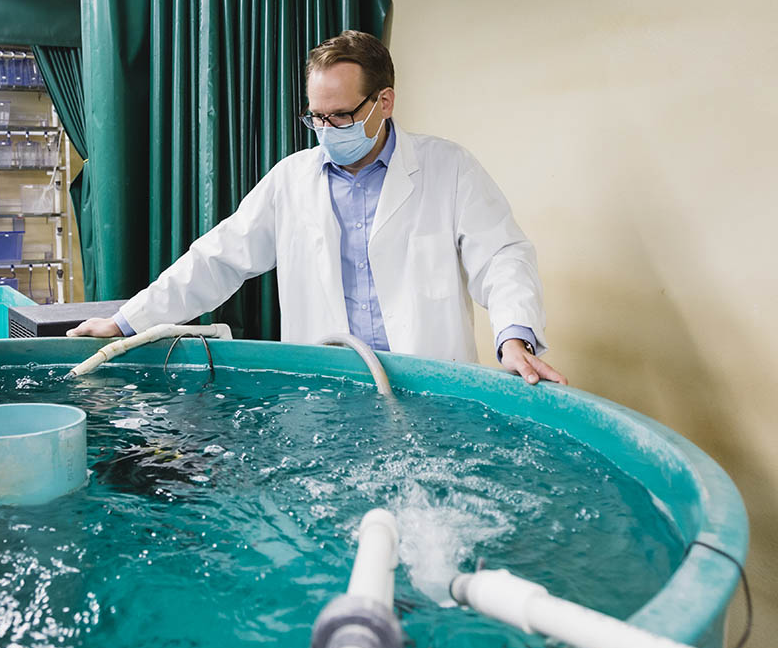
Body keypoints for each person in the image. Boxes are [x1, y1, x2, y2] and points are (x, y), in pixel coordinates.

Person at [68, 30, 566, 386]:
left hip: (429, 382)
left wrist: (513, 336)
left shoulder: (448, 168)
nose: (327, 130)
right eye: (316, 117)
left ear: (384, 102)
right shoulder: (292, 179)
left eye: (342, 115)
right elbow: (217, 258)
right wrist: (126, 323)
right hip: (327, 385)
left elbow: (502, 256)